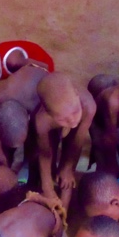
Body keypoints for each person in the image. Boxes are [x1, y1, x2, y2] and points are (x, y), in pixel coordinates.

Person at [35, 72, 96, 209]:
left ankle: (64, 212)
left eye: (75, 112)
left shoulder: (88, 106)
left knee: (67, 177)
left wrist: (68, 168)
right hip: (52, 124)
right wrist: (47, 188)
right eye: (63, 119)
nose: (72, 120)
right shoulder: (42, 121)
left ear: (77, 94)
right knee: (47, 172)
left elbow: (77, 142)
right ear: (48, 112)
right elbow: (44, 154)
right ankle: (52, 202)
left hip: (81, 114)